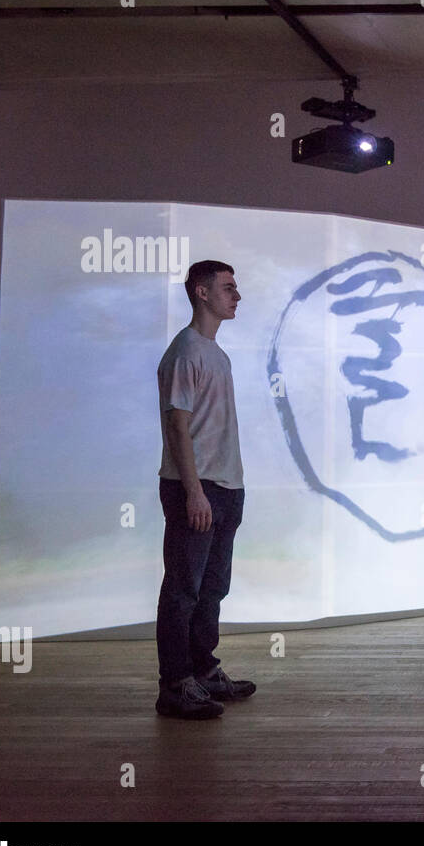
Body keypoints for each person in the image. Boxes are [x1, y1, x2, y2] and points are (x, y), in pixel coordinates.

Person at [154, 259, 257, 720]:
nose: (237, 296)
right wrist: (194, 492)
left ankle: (203, 671)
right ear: (201, 292)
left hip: (225, 488)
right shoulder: (186, 352)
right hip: (196, 489)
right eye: (228, 288)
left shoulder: (216, 352)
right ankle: (176, 685)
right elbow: (178, 426)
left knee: (212, 587)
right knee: (183, 589)